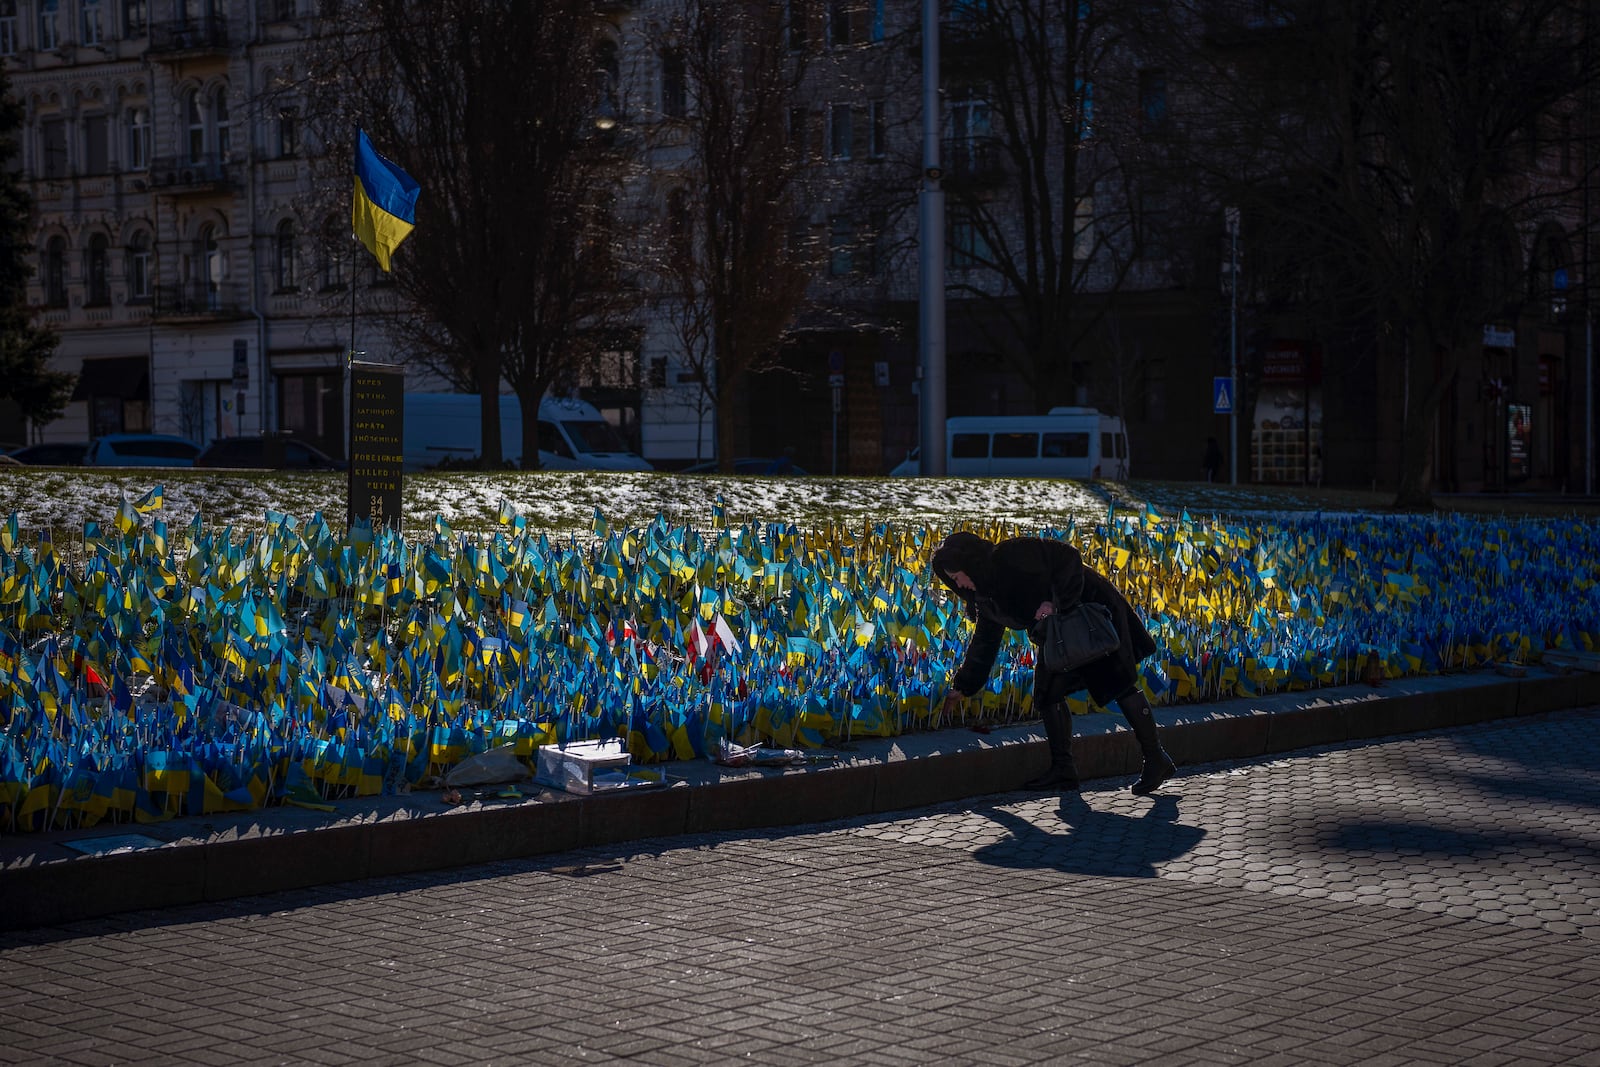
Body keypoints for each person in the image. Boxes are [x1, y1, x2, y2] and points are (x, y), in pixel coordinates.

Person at [931, 531, 1177, 795]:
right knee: (1048, 693)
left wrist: (1054, 602)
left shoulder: (1010, 555)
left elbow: (1069, 557)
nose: (960, 585)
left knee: (1118, 683)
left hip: (1090, 614)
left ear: (971, 565)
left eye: (959, 577)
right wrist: (964, 686)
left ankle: (1156, 758)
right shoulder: (986, 598)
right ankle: (1063, 770)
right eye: (953, 581)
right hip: (1058, 634)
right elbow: (985, 643)